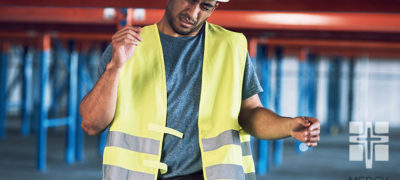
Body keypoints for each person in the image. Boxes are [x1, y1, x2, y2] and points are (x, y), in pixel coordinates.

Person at [79, 0, 321, 179]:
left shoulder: (231, 47)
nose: (193, 13)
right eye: (190, 0)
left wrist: (288, 126)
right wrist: (115, 68)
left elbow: (250, 114)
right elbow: (91, 123)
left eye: (205, 6)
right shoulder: (128, 46)